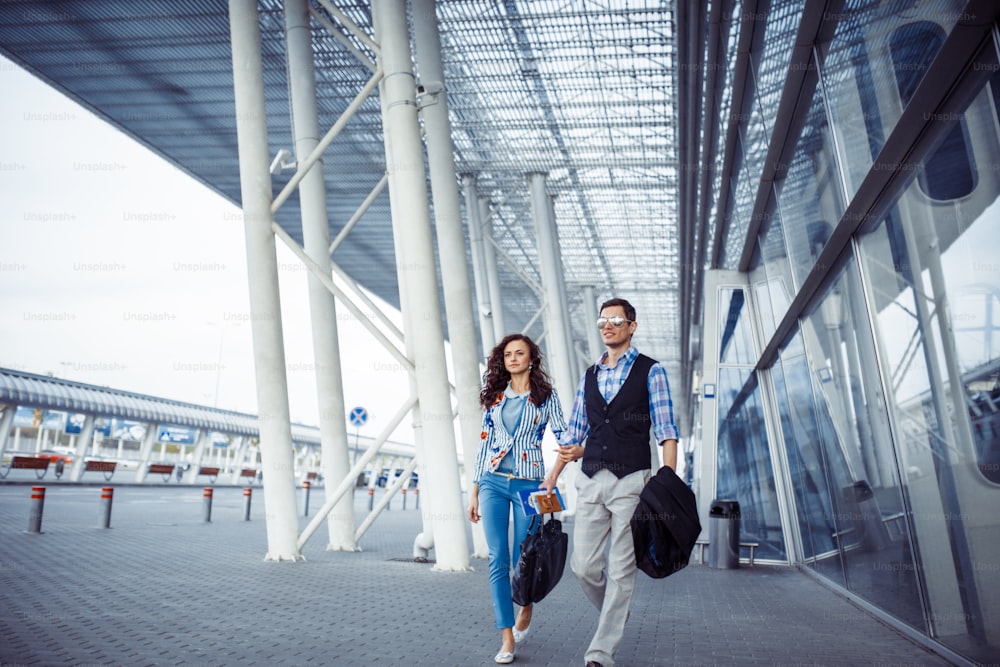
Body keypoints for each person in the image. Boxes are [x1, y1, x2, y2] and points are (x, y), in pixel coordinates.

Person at [541, 297, 678, 667]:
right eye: (603, 320)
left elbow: (666, 431)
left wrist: (667, 481)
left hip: (632, 481)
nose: (608, 325)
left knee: (620, 569)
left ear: (632, 326)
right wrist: (551, 478)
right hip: (590, 480)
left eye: (617, 319)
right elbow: (572, 435)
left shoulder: (652, 371)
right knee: (583, 566)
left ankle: (600, 653)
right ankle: (615, 613)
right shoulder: (590, 375)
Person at [467, 333, 567, 665]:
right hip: (493, 483)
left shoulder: (545, 397)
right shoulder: (495, 398)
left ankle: (527, 605)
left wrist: (553, 476)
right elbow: (484, 444)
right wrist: (474, 490)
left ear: (531, 359)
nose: (512, 358)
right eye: (507, 354)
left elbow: (566, 438)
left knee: (526, 556)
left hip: (530, 486)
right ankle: (507, 637)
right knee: (497, 559)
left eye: (519, 353)